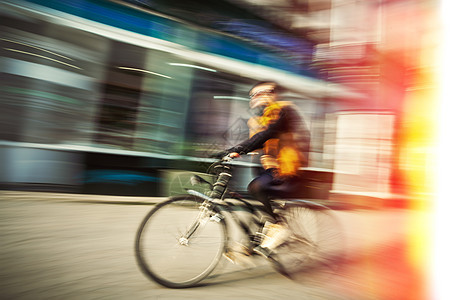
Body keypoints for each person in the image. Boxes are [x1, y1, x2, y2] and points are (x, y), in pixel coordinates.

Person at [220, 80, 310, 259]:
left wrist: (237, 150)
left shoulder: (284, 110)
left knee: (256, 188)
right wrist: (227, 153)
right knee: (253, 200)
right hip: (270, 170)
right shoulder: (261, 119)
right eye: (253, 95)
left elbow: (267, 134)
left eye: (262, 93)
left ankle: (279, 228)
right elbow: (258, 142)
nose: (256, 97)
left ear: (273, 94)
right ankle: (254, 243)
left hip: (288, 170)